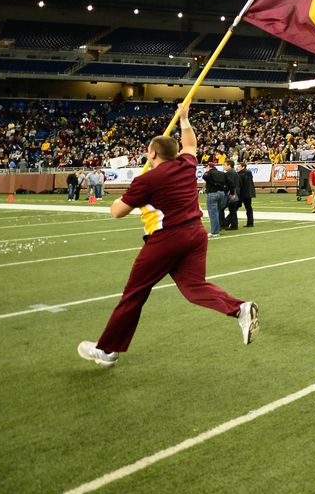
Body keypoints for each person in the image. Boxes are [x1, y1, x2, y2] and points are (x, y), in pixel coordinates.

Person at [77, 102, 257, 368]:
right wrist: (184, 119)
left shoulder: (147, 180)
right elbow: (190, 145)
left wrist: (123, 198)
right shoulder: (185, 165)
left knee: (134, 294)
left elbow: (117, 212)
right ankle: (239, 308)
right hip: (195, 234)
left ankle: (106, 351)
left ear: (151, 153)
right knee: (194, 287)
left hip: (167, 239)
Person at [202, 161, 231, 236]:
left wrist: (213, 183)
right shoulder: (222, 173)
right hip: (221, 193)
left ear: (209, 167)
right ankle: (217, 229)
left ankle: (215, 232)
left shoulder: (208, 173)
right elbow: (230, 183)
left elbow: (205, 176)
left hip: (212, 193)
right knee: (217, 212)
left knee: (213, 213)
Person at [236, 161, 256, 228]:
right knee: (249, 208)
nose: (237, 167)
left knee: (235, 208)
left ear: (243, 167)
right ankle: (250, 222)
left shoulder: (240, 174)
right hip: (249, 193)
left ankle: (227, 222)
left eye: (239, 166)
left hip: (242, 193)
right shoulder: (249, 173)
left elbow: (240, 185)